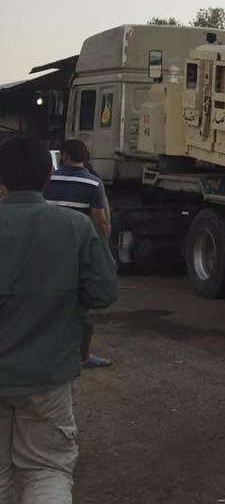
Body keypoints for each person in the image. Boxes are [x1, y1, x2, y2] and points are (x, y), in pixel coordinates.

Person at [0, 134, 118, 504]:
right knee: (46, 468)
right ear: (48, 176)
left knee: (4, 476)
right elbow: (103, 293)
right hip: (48, 378)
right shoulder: (73, 229)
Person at [42, 139, 112, 369]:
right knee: (84, 306)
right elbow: (100, 219)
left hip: (48, 251)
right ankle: (83, 356)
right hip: (78, 253)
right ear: (86, 156)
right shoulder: (93, 183)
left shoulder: (47, 181)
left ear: (63, 155)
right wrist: (103, 247)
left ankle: (48, 353)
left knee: (48, 302)